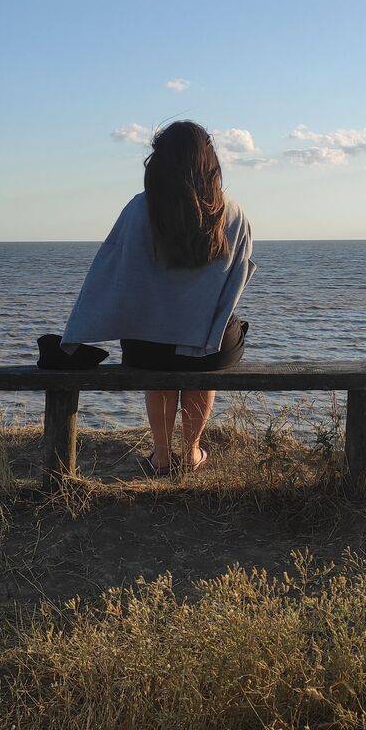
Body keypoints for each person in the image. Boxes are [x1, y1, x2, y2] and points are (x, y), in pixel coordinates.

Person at [61, 120, 255, 472]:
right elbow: (232, 288)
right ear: (210, 163)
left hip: (148, 350)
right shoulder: (233, 212)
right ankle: (191, 452)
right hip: (208, 348)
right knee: (215, 337)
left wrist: (78, 334)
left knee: (158, 346)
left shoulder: (139, 209)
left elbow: (110, 274)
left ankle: (163, 457)